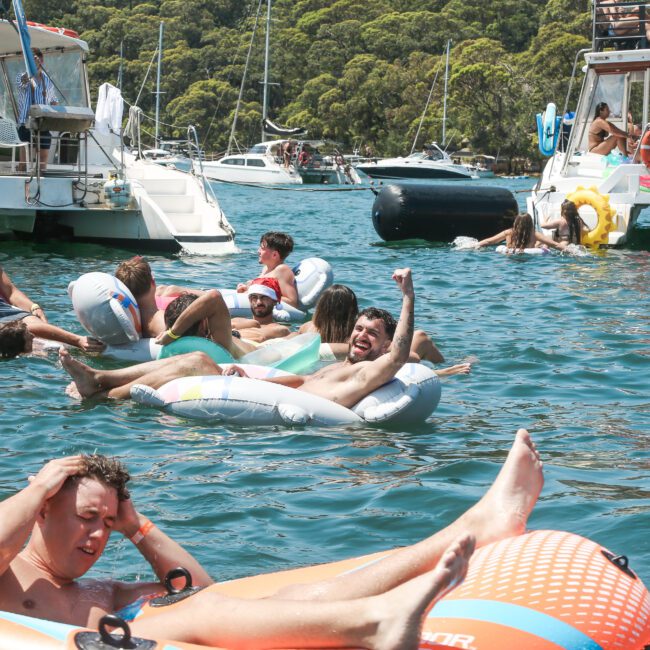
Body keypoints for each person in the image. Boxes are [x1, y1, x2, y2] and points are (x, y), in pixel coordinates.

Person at [0, 428, 544, 647]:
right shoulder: (11, 573)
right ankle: (374, 623)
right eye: (87, 516)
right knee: (192, 614)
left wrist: (137, 525)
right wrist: (40, 486)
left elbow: (199, 587)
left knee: (255, 598)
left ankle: (469, 528)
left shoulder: (105, 593)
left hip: (145, 630)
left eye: (106, 524)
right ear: (44, 510)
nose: (98, 535)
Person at [61, 268, 466, 400]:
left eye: (371, 334)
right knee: (198, 361)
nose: (360, 336)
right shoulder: (343, 364)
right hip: (276, 387)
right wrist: (249, 375)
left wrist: (408, 296)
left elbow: (401, 355)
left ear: (384, 343)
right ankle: (102, 386)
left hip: (281, 407)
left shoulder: (370, 372)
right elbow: (302, 381)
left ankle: (101, 386)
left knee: (200, 361)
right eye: (358, 327)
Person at [296, 284, 461, 372]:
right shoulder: (354, 337)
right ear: (353, 310)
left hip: (330, 366)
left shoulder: (307, 328)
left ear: (320, 307)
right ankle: (448, 368)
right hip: (373, 366)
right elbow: (411, 356)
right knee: (420, 337)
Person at [0, 264, 104, 355]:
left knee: (52, 342)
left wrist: (34, 307)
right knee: (21, 340)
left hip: (6, 309)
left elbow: (10, 291)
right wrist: (77, 340)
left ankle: (90, 349)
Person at [16, 48, 59, 172]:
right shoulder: (22, 76)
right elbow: (22, 83)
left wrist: (57, 108)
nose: (35, 62)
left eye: (37, 59)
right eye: (31, 59)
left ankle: (43, 183)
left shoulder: (47, 80)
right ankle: (20, 183)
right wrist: (31, 69)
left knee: (43, 160)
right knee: (24, 161)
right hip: (26, 124)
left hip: (43, 124)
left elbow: (53, 99)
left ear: (42, 60)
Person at [236, 232, 299, 308]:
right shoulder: (266, 268)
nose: (258, 251)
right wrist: (247, 289)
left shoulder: (282, 270)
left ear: (274, 255)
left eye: (262, 248)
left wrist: (260, 294)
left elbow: (292, 302)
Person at [230, 277, 290, 344]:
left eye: (264, 297)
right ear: (249, 300)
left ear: (275, 301)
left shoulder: (280, 330)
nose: (259, 302)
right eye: (254, 297)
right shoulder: (237, 320)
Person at [477, 213, 566, 253]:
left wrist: (474, 245)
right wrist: (572, 251)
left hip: (510, 259)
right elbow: (555, 245)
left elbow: (489, 241)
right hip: (529, 259)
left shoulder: (508, 232)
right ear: (530, 223)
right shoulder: (534, 234)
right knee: (546, 241)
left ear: (516, 222)